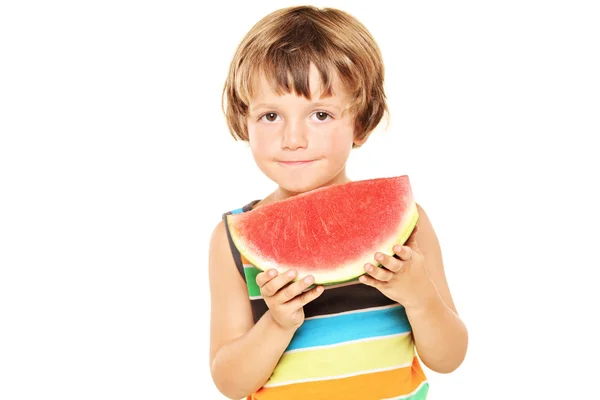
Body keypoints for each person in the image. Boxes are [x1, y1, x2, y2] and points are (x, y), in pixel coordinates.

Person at [208, 5, 468, 399]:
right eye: (271, 116)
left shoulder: (409, 226)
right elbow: (229, 382)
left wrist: (420, 297)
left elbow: (449, 358)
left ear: (361, 123)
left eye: (321, 114)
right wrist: (277, 323)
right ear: (244, 119)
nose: (293, 138)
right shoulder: (232, 237)